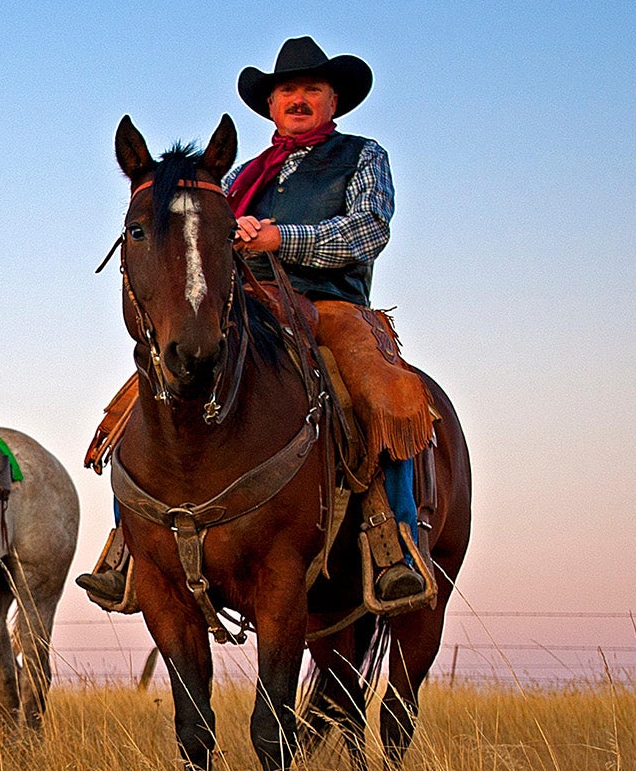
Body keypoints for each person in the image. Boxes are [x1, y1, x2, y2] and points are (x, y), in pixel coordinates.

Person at [78, 36, 435, 613]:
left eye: (310, 90)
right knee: (138, 400)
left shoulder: (364, 157)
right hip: (246, 304)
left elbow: (368, 231)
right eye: (286, 91)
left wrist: (279, 237)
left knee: (383, 394)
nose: (297, 99)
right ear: (270, 106)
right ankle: (129, 545)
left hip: (331, 307)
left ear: (333, 100)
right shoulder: (238, 175)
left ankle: (390, 540)